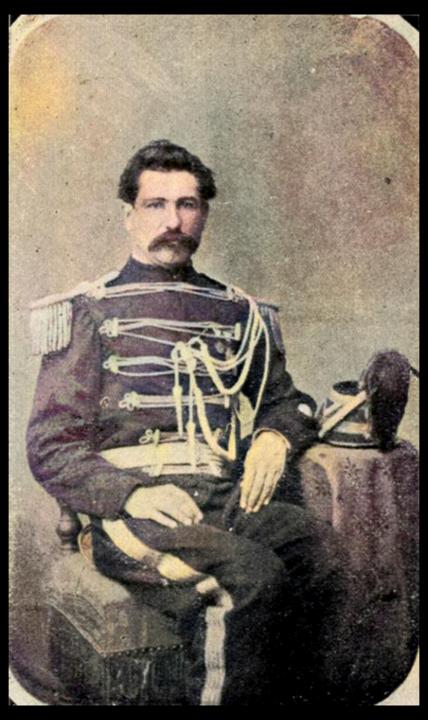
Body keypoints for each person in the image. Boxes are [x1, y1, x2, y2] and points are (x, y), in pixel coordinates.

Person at [27, 140, 347, 705]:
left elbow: (286, 401)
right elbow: (51, 444)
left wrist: (275, 436)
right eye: (156, 205)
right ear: (128, 215)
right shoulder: (88, 312)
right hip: (136, 514)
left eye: (187, 205)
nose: (173, 221)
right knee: (253, 577)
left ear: (204, 214)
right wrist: (130, 494)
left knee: (318, 550)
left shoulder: (237, 311)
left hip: (222, 497)